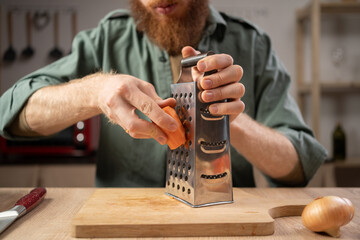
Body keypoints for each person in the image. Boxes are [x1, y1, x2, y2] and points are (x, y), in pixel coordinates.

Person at [0, 0, 327, 187]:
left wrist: (233, 123)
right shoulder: (105, 40)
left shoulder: (253, 45)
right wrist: (95, 89)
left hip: (224, 226)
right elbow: (11, 113)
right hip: (126, 229)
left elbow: (300, 164)